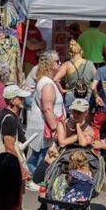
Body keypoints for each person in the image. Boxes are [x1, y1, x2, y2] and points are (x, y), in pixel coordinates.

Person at [26, 50, 65, 188]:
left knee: (39, 154)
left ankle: (30, 177)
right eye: (57, 61)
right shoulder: (47, 84)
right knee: (42, 155)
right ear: (49, 64)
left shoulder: (46, 81)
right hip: (45, 127)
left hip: (43, 125)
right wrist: (55, 128)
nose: (60, 63)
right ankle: (33, 179)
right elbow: (47, 109)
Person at [54, 40, 95, 109]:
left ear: (70, 53)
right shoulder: (90, 64)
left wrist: (62, 90)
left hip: (71, 96)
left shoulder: (67, 64)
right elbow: (96, 80)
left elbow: (55, 79)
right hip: (87, 96)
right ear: (81, 52)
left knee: (71, 117)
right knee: (85, 117)